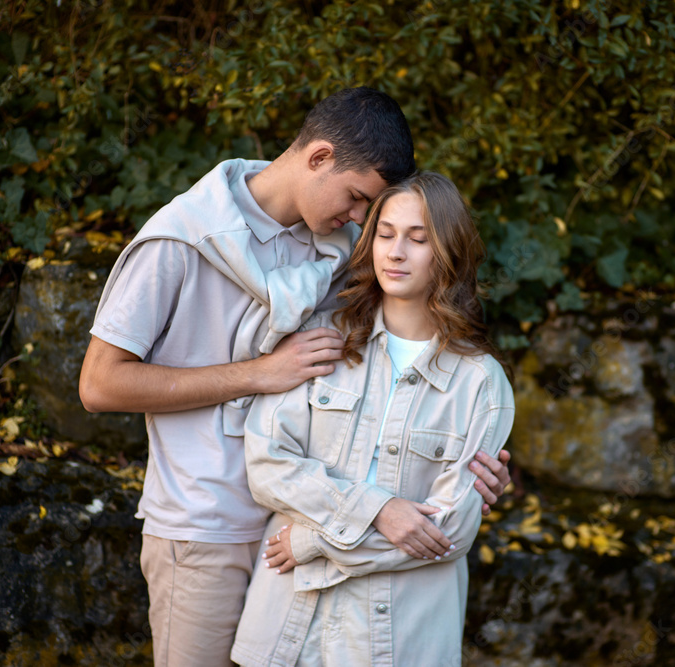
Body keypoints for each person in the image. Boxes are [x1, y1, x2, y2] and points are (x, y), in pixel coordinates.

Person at [78, 88, 512, 666]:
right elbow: (99, 385)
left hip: (301, 531)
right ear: (319, 157)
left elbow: (379, 386)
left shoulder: (338, 246)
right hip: (207, 525)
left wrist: (470, 471)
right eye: (357, 199)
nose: (361, 220)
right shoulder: (180, 240)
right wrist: (259, 374)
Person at [232, 171, 515, 667]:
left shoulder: (480, 383)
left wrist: (313, 542)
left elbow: (449, 531)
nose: (396, 252)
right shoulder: (321, 341)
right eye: (385, 234)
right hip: (286, 626)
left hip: (398, 640)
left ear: (448, 251)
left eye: (418, 239)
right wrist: (378, 510)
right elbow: (267, 464)